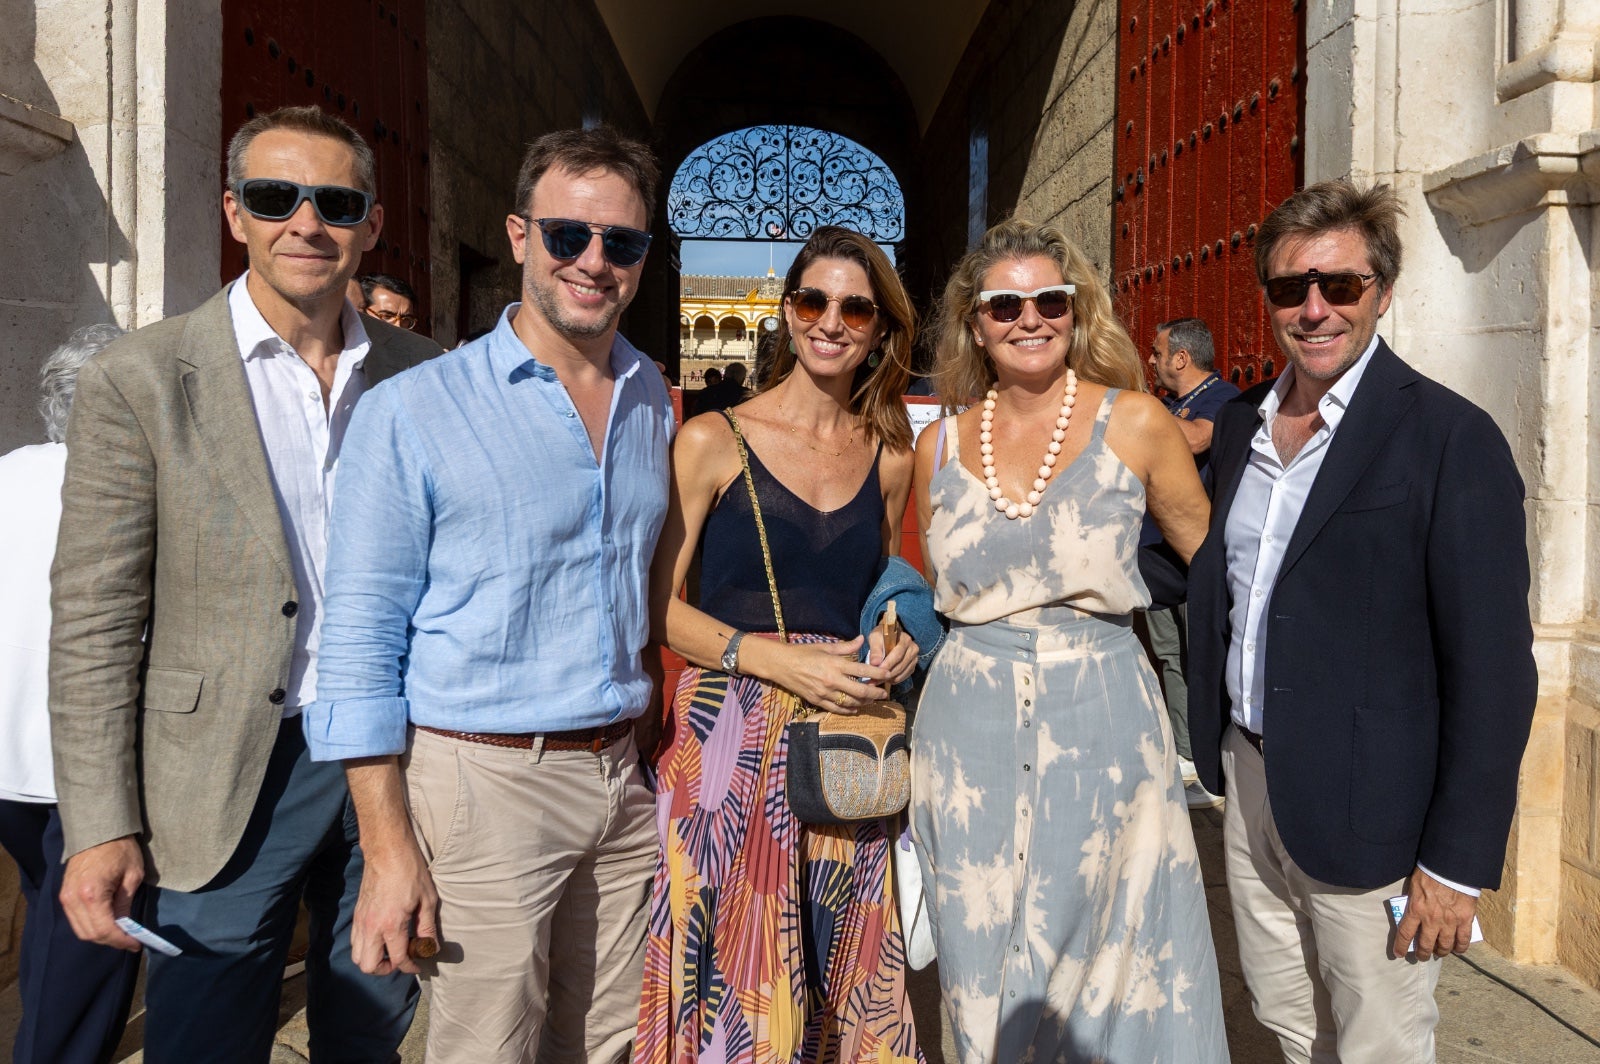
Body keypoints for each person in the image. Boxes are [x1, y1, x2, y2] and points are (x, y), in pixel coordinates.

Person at [47, 104, 440, 1062]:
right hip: (221, 770)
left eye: (337, 202)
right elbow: (94, 619)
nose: (307, 222)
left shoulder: (426, 376)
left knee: (372, 1026)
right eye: (276, 197)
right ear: (235, 214)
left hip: (393, 761)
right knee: (204, 1034)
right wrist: (99, 826)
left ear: (372, 226)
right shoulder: (140, 379)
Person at [304, 125, 671, 1063]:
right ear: (519, 237)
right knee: (485, 1049)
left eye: (621, 243)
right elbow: (355, 642)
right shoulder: (414, 409)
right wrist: (387, 851)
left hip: (618, 781)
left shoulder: (652, 400)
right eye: (567, 236)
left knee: (608, 1043)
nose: (594, 262)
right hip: (481, 782)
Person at [1186, 179, 1537, 1062]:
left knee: (1378, 1042)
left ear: (1381, 289)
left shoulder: (1450, 439)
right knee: (1290, 1022)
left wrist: (1454, 868)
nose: (1314, 309)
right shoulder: (1242, 429)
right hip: (1254, 780)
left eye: (1339, 285)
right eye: (1290, 288)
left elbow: (1494, 674)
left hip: (1374, 815)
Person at [910, 219, 1227, 1063]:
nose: (1029, 318)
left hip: (1104, 712)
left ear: (1076, 310)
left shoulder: (1138, 422)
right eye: (1004, 303)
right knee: (979, 956)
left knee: (1110, 951)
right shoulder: (935, 444)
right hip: (965, 726)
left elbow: (1217, 571)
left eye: (1049, 299)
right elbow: (919, 582)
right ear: (975, 321)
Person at [637, 225, 924, 1062]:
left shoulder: (890, 449)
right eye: (813, 300)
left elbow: (887, 575)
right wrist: (773, 658)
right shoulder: (710, 439)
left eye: (855, 307)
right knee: (737, 962)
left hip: (842, 735)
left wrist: (894, 628)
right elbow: (656, 605)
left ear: (880, 328)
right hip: (726, 738)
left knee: (843, 957)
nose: (831, 321)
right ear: (787, 312)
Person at [0, 324, 139, 1064]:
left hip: (9, 762)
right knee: (86, 941)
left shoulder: (7, 471)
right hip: (78, 768)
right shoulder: (121, 488)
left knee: (48, 912)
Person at [1141, 316, 1238, 809]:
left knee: (1203, 660)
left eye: (1158, 354)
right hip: (1156, 563)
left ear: (1182, 357)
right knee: (1172, 659)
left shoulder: (1224, 398)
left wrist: (1138, 416)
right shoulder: (1166, 406)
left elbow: (1198, 439)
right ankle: (1186, 756)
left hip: (1195, 561)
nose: (1152, 362)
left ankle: (1209, 763)